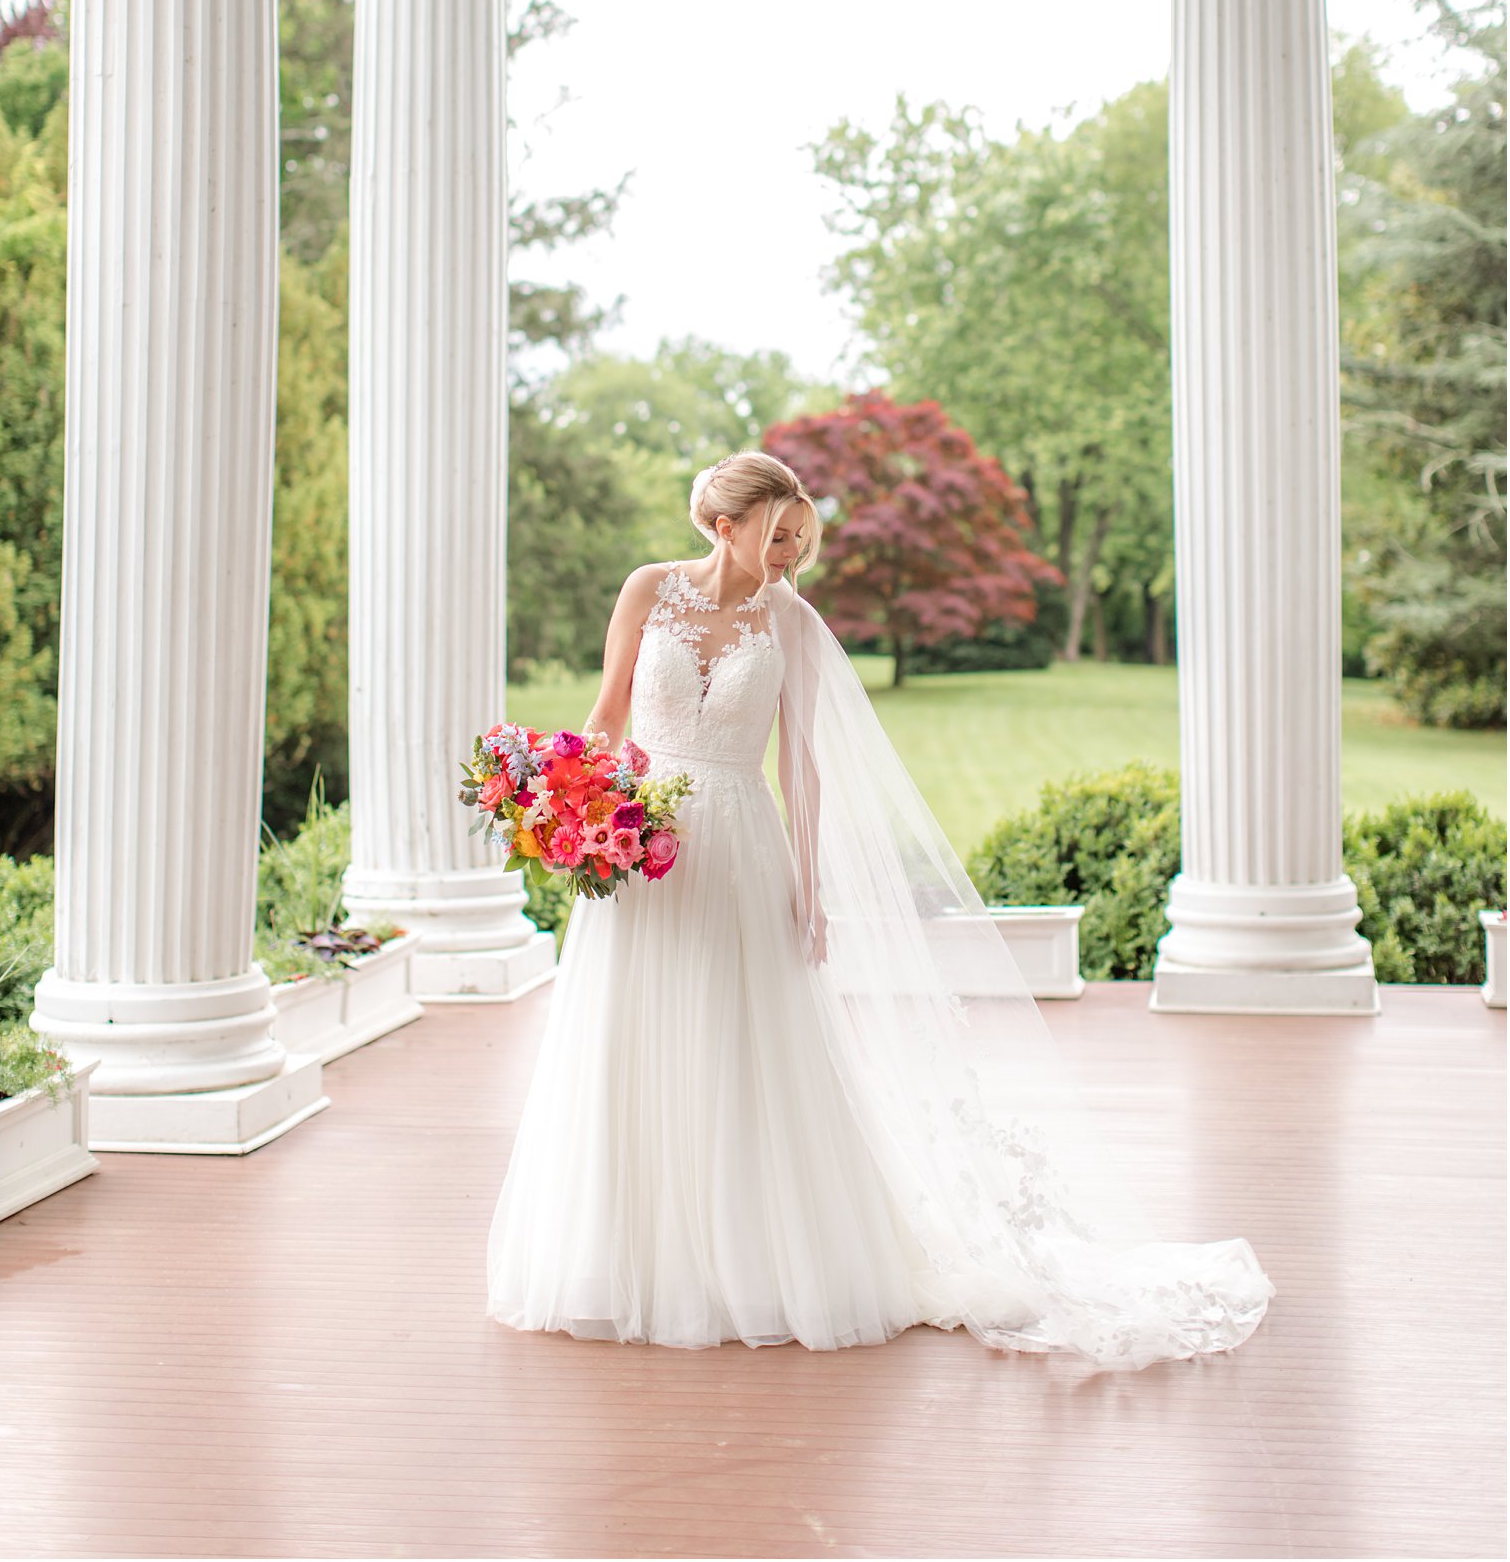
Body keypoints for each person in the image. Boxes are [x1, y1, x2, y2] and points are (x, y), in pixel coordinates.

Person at [486, 450, 1276, 1365]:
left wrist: (811, 883)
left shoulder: (793, 622)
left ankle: (753, 1259)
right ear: (724, 524)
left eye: (800, 540)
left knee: (739, 1044)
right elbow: (608, 714)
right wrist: (574, 806)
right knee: (629, 1036)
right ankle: (629, 1256)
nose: (788, 555)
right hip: (641, 839)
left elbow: (804, 762)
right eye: (776, 536)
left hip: (742, 845)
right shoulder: (647, 590)